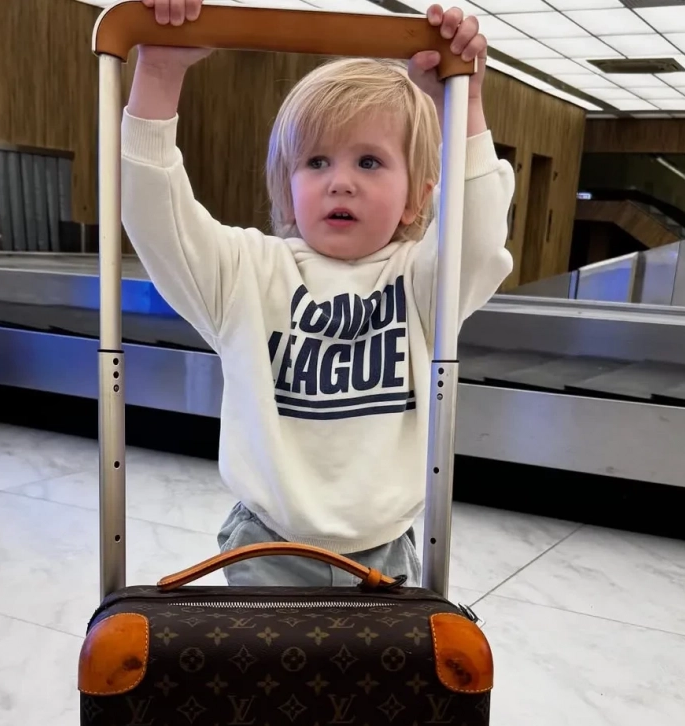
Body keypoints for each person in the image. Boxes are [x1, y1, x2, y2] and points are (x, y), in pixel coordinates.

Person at [124, 0, 514, 585]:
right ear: (287, 189)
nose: (341, 181)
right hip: (265, 548)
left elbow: (477, 236)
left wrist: (462, 104)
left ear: (418, 198)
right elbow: (156, 217)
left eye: (369, 162)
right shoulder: (246, 272)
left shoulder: (422, 282)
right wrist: (158, 74)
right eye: (316, 161)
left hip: (385, 555)